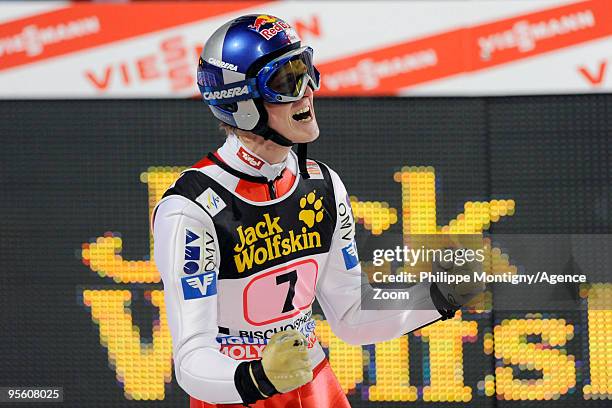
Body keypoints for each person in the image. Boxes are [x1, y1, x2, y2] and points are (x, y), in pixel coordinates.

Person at [152, 14, 481, 408]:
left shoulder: (323, 184)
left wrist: (441, 295)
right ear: (240, 102)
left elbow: (353, 315)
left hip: (314, 384)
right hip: (239, 394)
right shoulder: (190, 209)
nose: (307, 91)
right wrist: (261, 376)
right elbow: (191, 362)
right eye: (286, 81)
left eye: (307, 71)